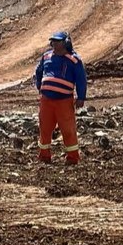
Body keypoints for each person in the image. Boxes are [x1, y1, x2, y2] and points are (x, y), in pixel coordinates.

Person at [33, 30, 87, 164]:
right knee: (45, 128)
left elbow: (81, 79)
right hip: (46, 100)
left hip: (64, 101)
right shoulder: (46, 57)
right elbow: (38, 72)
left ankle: (72, 157)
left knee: (68, 129)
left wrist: (81, 97)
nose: (54, 45)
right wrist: (40, 85)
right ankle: (44, 156)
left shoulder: (74, 60)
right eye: (53, 42)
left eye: (58, 42)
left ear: (66, 43)